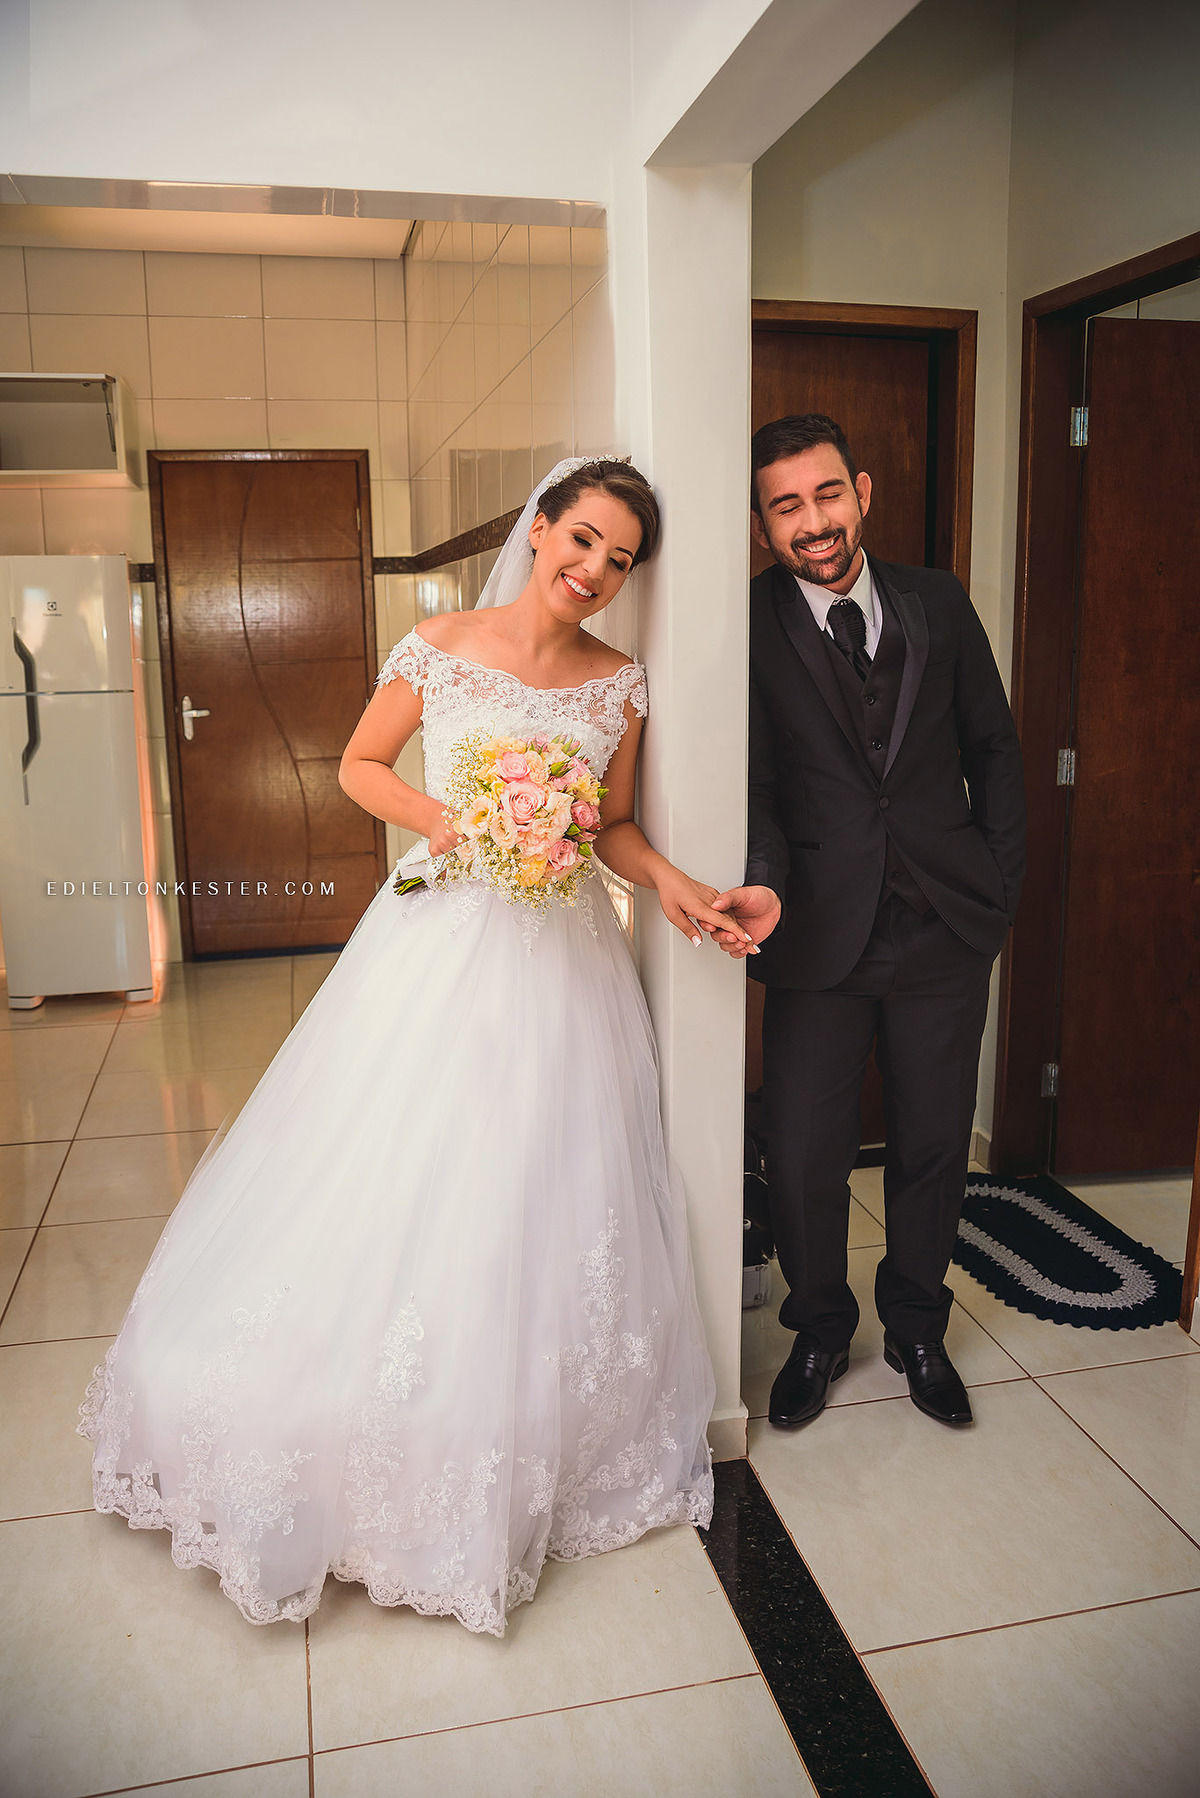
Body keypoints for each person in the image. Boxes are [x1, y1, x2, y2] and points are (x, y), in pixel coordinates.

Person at [79, 457, 740, 1633]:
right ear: (541, 529)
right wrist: (460, 818)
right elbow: (358, 765)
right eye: (582, 539)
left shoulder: (618, 684)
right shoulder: (440, 647)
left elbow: (613, 825)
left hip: (565, 959)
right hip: (439, 935)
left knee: (535, 1176)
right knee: (399, 1157)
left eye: (620, 558)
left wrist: (676, 884)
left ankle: (505, 1417)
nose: (594, 569)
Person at [712, 415, 1025, 1430]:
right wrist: (763, 883)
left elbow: (995, 748)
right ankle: (818, 1329)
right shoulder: (744, 622)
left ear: (863, 491)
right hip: (815, 930)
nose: (813, 521)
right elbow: (753, 781)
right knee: (806, 1148)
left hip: (947, 923)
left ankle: (918, 1327)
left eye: (827, 494)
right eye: (786, 506)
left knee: (933, 1141)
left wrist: (999, 887)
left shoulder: (938, 599)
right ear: (762, 525)